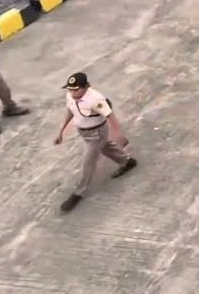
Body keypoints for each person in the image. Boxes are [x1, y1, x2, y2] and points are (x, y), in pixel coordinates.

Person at [55, 72, 137, 213]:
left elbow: (111, 116)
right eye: (70, 89)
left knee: (88, 162)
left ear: (86, 86)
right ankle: (127, 161)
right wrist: (61, 131)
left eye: (76, 89)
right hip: (84, 132)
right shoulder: (70, 95)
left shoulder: (96, 100)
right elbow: (70, 110)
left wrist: (119, 135)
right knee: (105, 147)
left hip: (97, 133)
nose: (73, 93)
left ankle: (78, 193)